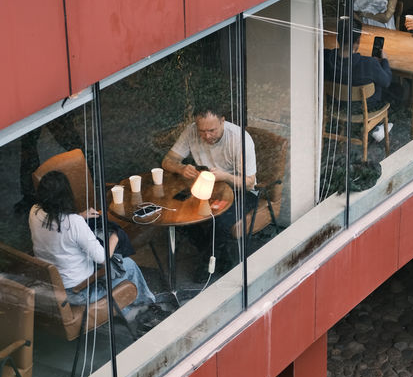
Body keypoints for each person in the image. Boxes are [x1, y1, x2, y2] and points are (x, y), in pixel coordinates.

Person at [29, 170, 156, 321]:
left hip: (52, 286)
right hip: (79, 292)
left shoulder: (34, 212)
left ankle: (128, 309)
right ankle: (145, 306)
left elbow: (59, 230)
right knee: (128, 265)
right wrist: (116, 235)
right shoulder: (73, 223)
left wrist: (80, 216)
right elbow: (103, 258)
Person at [162, 107, 257, 272]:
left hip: (240, 191)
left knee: (218, 221)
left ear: (223, 121)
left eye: (212, 130)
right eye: (202, 131)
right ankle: (220, 257)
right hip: (209, 186)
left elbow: (249, 183)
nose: (207, 136)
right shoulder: (191, 131)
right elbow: (167, 161)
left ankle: (206, 264)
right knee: (178, 213)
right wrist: (181, 168)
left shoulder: (239, 139)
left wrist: (225, 176)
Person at [324, 18, 392, 112]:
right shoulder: (370, 64)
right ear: (358, 40)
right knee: (391, 88)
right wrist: (384, 60)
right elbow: (387, 82)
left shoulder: (325, 56)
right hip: (364, 109)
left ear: (337, 38)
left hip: (336, 105)